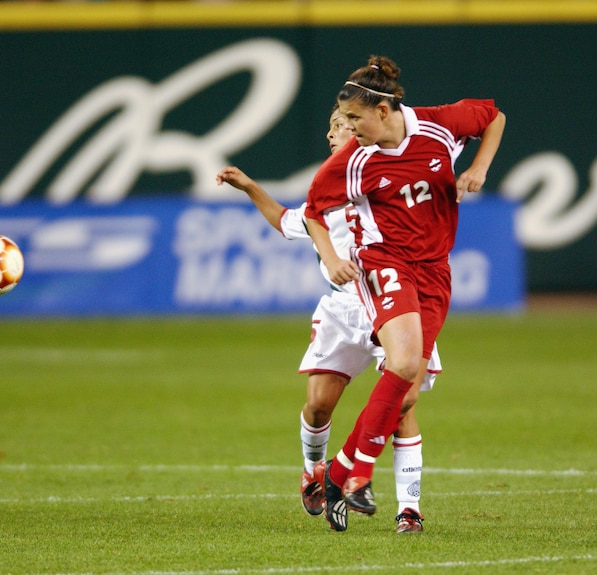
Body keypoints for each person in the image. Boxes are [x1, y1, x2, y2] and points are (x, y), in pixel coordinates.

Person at [215, 105, 442, 533]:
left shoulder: (385, 173)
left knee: (403, 402)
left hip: (394, 298)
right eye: (332, 127)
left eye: (341, 125)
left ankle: (409, 509)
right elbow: (287, 221)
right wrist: (248, 187)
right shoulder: (328, 192)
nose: (333, 134)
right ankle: (314, 470)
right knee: (319, 406)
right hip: (344, 308)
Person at [304, 56, 506, 532]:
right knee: (404, 364)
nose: (349, 129)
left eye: (355, 118)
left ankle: (340, 471)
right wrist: (332, 258)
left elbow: (494, 116)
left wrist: (478, 166)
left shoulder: (438, 126)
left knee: (408, 388)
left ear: (384, 109)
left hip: (435, 270)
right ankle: (358, 478)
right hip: (385, 263)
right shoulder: (351, 159)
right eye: (345, 120)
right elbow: (314, 210)